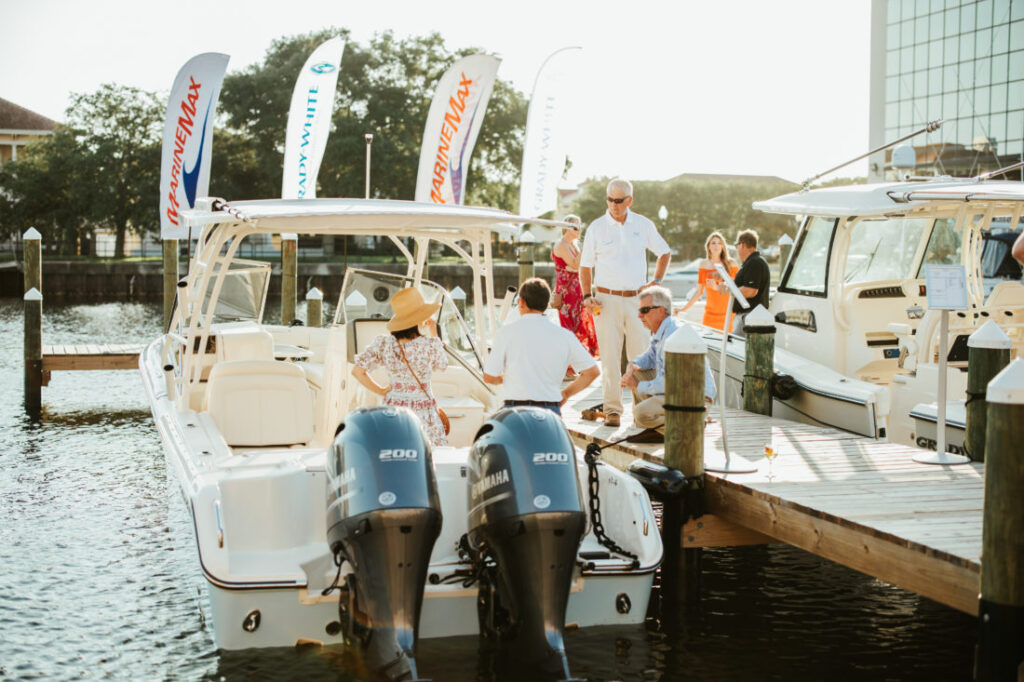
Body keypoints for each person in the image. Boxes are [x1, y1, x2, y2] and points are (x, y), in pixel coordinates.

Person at [580, 178, 671, 427]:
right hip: (606, 300)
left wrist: (655, 281)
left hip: (637, 301)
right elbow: (585, 266)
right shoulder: (596, 228)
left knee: (640, 358)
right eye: (609, 199)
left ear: (630, 200)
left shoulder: (642, 225)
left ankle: (642, 410)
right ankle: (612, 410)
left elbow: (664, 252)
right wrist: (587, 296)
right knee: (609, 358)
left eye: (619, 200)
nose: (614, 205)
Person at [483, 278, 599, 416]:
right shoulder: (564, 335)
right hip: (550, 410)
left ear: (521, 302)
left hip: (515, 410)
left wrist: (507, 377)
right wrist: (566, 394)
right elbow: (592, 372)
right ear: (546, 304)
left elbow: (489, 377)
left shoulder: (506, 333)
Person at [351, 287, 449, 446]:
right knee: (426, 454)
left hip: (394, 410)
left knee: (395, 452)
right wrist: (433, 330)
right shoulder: (430, 345)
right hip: (424, 412)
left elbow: (357, 371)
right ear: (419, 318)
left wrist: (381, 390)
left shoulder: (384, 344)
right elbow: (443, 364)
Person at [620, 286, 716, 431]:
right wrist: (632, 365)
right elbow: (649, 357)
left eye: (644, 310)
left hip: (694, 398)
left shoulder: (673, 336)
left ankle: (690, 426)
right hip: (679, 391)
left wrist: (636, 386)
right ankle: (660, 429)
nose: (639, 315)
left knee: (641, 414)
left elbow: (669, 383)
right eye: (639, 311)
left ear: (660, 310)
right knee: (638, 372)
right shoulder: (662, 331)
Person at [552, 214, 599, 359]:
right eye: (575, 226)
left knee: (581, 323)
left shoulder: (573, 245)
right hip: (567, 293)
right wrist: (586, 247)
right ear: (566, 228)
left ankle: (579, 361)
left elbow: (580, 265)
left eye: (579, 225)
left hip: (576, 290)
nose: (579, 229)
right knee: (570, 327)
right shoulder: (561, 245)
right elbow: (575, 264)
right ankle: (569, 365)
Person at [678, 231, 739, 331]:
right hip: (710, 315)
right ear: (708, 247)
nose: (716, 246)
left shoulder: (731, 263)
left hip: (728, 314)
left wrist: (716, 287)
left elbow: (735, 288)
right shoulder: (703, 264)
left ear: (723, 246)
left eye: (719, 243)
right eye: (713, 243)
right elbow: (698, 292)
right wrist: (683, 309)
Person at [719, 229, 770, 337]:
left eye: (736, 245)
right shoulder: (752, 262)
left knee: (735, 347)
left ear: (742, 245)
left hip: (748, 317)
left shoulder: (755, 262)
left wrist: (728, 290)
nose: (737, 249)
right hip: (748, 317)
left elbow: (751, 290)